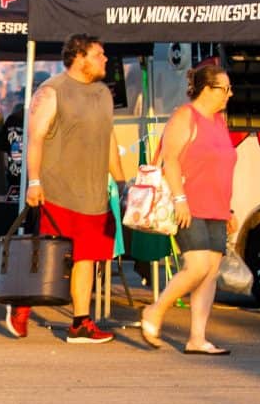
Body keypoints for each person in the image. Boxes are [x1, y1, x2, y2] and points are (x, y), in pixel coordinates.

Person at [15, 34, 126, 344]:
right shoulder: (52, 91)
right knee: (51, 256)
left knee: (86, 258)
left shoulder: (104, 93)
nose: (105, 59)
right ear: (79, 57)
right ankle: (22, 302)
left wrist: (121, 181)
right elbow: (35, 137)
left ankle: (81, 323)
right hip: (57, 190)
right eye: (99, 54)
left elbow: (109, 139)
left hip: (94, 194)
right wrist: (34, 181)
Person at [139, 63, 237, 356]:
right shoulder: (185, 116)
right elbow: (170, 159)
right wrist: (180, 199)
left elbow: (221, 166)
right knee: (197, 267)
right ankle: (156, 310)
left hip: (218, 206)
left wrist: (229, 210)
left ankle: (197, 338)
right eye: (225, 89)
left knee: (210, 272)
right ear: (207, 89)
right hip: (189, 204)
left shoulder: (219, 121)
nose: (230, 94)